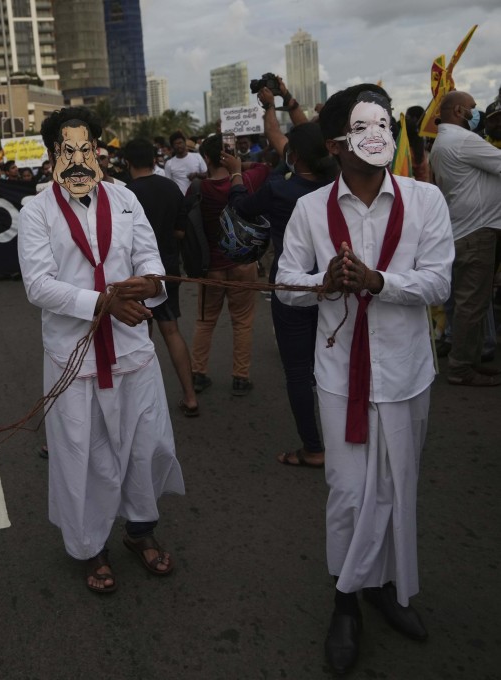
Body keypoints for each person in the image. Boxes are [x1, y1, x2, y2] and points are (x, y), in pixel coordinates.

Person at [276, 85, 454, 674]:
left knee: (397, 485)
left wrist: (380, 283)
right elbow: (283, 286)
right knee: (350, 490)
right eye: (363, 126)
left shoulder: (426, 200)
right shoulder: (310, 211)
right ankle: (346, 601)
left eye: (383, 122)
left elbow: (438, 283)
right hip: (339, 374)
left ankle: (385, 586)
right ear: (336, 143)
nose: (377, 135)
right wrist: (322, 283)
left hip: (406, 371)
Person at [18, 107, 184, 595]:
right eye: (66, 150)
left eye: (85, 148)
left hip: (132, 348)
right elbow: (38, 286)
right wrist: (104, 303)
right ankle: (92, 547)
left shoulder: (126, 199)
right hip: (74, 356)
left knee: (145, 443)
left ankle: (139, 530)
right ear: (53, 155)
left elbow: (151, 258)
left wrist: (148, 283)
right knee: (82, 453)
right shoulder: (36, 211)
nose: (77, 158)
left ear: (98, 150)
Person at [226, 122, 337, 467]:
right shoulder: (340, 185)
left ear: (295, 155)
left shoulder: (278, 189)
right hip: (336, 285)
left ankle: (314, 446)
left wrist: (235, 178)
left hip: (290, 287)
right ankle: (347, 439)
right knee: (336, 365)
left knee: (298, 371)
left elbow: (241, 209)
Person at [428, 90, 501, 387]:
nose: (476, 113)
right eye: (472, 108)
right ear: (458, 111)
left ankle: (466, 360)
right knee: (473, 305)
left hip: (461, 231)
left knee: (463, 305)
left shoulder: (441, 142)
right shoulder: (463, 140)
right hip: (477, 232)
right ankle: (461, 369)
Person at [123, 137, 198, 417]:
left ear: (127, 163)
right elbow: (181, 231)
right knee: (172, 330)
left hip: (136, 275)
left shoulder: (126, 194)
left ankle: (140, 405)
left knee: (140, 337)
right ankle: (190, 396)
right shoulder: (171, 188)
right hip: (168, 268)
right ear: (155, 161)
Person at [189, 135, 269, 397]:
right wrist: (239, 166)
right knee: (243, 322)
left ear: (207, 158)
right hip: (243, 264)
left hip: (210, 266)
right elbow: (264, 169)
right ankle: (240, 378)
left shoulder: (199, 188)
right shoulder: (245, 181)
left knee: (204, 321)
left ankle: (198, 375)